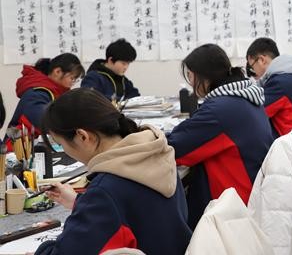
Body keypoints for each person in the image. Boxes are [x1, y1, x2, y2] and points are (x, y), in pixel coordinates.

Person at [36, 88, 191, 254]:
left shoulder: (105, 191)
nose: (65, 150)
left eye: (61, 144)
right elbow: (133, 210)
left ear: (83, 136)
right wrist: (81, 203)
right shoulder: (157, 153)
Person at [167, 44, 273, 229]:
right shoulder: (243, 97)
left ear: (205, 76)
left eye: (191, 76)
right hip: (254, 195)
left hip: (235, 209)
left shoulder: (221, 110)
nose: (190, 84)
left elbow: (175, 148)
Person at [12, 53, 84, 134]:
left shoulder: (55, 91)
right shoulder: (37, 92)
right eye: (72, 78)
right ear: (57, 72)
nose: (73, 83)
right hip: (22, 141)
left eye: (75, 80)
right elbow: (44, 122)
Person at [81, 38, 141, 103]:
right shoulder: (93, 78)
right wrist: (120, 102)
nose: (126, 67)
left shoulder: (123, 80)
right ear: (110, 60)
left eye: (128, 64)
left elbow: (135, 96)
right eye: (123, 63)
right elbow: (90, 99)